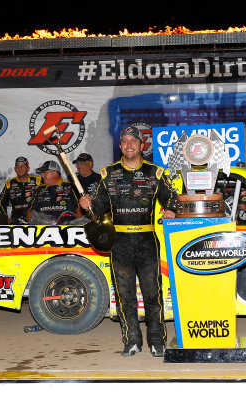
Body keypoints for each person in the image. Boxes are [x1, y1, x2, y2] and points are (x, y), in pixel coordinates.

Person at [79, 125, 177, 357]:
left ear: (141, 146)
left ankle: (157, 341)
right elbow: (99, 208)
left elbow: (172, 197)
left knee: (153, 293)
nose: (129, 145)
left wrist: (171, 209)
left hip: (147, 240)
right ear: (120, 146)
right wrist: (88, 205)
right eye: (125, 141)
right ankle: (132, 340)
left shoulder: (156, 173)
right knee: (125, 294)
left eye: (134, 141)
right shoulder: (108, 174)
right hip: (119, 241)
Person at [0, 156, 42, 224]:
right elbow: (1, 202)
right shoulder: (9, 183)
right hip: (16, 220)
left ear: (28, 169)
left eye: (23, 166)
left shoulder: (38, 181)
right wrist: (6, 217)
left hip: (35, 220)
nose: (20, 168)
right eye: (18, 166)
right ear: (15, 169)